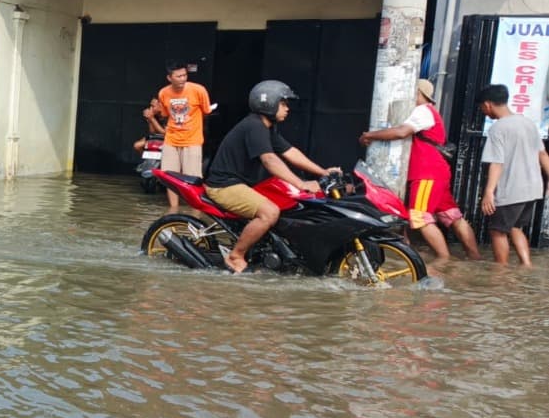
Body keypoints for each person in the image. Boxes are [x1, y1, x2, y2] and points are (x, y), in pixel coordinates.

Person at [204, 80, 337, 274]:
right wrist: (301, 183)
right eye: (283, 103)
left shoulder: (266, 128)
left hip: (243, 185)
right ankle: (236, 256)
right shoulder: (254, 126)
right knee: (270, 212)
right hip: (224, 186)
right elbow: (269, 160)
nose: (287, 109)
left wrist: (324, 172)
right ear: (269, 103)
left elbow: (291, 152)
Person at [359, 78, 481, 264]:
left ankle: (442, 259)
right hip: (437, 172)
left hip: (426, 173)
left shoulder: (422, 111)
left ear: (418, 94)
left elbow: (401, 132)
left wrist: (370, 135)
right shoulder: (432, 113)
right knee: (451, 214)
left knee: (419, 216)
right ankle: (474, 258)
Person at [477, 84, 549, 266]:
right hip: (533, 189)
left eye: (482, 108)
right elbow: (543, 155)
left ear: (487, 104)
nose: (484, 112)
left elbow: (497, 162)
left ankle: (501, 271)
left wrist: (489, 192)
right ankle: (526, 265)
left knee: (497, 231)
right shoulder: (528, 123)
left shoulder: (498, 128)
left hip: (512, 189)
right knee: (516, 227)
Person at [148, 62, 214, 212]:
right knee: (170, 178)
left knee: (193, 177)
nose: (182, 79)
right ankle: (173, 210)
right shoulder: (163, 93)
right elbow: (165, 114)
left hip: (192, 140)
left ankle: (195, 211)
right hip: (171, 139)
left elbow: (206, 111)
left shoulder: (199, 90)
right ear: (169, 78)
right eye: (178, 76)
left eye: (184, 75)